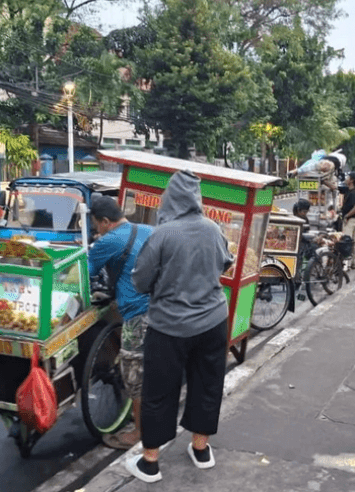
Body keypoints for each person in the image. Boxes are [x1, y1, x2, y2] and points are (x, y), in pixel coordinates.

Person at [127, 170, 233, 483]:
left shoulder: (162, 234)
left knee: (159, 391)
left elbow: (140, 281)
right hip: (213, 321)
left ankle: (150, 463)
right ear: (197, 199)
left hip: (169, 326)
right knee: (207, 383)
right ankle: (201, 450)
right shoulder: (213, 229)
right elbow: (224, 262)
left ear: (169, 198)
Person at [86, 194, 153, 450]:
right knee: (154, 369)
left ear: (104, 221)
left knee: (133, 372)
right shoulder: (148, 229)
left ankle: (139, 432)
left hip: (137, 314)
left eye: (96, 225)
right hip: (163, 310)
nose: (95, 230)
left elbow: (83, 273)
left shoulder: (109, 240)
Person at [338, 172, 355, 270]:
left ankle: (346, 264)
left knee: (347, 241)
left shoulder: (354, 193)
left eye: (348, 177)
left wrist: (346, 216)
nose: (346, 178)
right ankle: (354, 263)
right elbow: (338, 188)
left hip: (351, 220)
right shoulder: (351, 191)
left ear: (352, 180)